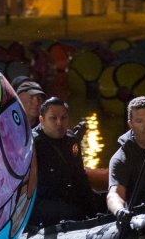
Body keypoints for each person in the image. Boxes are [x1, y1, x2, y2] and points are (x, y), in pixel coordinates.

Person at [29, 97, 102, 227]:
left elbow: (80, 176)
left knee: (101, 203)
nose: (59, 123)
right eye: (53, 118)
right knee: (73, 213)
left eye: (63, 118)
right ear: (42, 120)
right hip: (40, 201)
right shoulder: (32, 144)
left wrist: (92, 205)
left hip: (65, 194)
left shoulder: (71, 140)